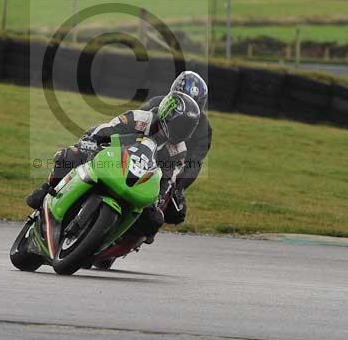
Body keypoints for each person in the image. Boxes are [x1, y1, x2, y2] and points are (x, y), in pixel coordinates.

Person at [25, 90, 202, 240]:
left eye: (188, 127)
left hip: (137, 181)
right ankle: (47, 189)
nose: (183, 131)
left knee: (153, 221)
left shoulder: (179, 151)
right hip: (111, 159)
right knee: (70, 155)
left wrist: (157, 200)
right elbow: (105, 130)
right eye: (181, 124)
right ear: (168, 114)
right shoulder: (140, 119)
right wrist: (90, 142)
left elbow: (167, 180)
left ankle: (115, 241)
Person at [140, 71, 211, 226]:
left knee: (176, 213)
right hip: (141, 154)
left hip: (170, 169)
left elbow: (195, 163)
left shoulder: (204, 128)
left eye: (193, 102)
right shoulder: (155, 104)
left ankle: (137, 237)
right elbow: (135, 126)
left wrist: (178, 186)